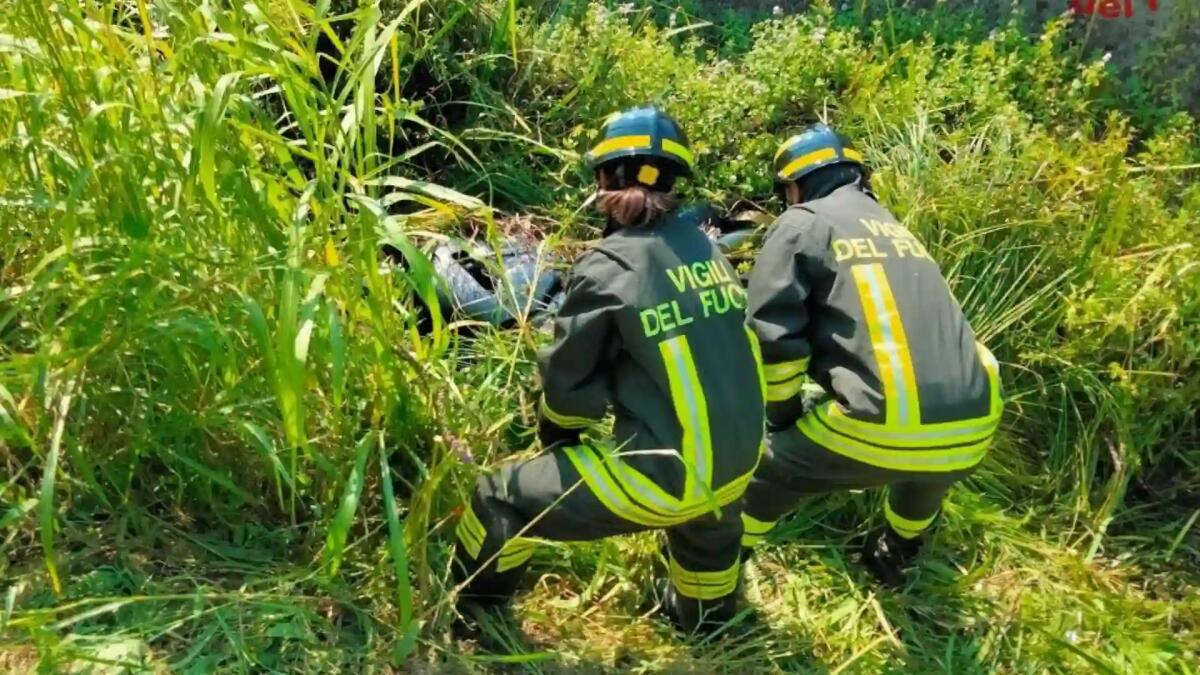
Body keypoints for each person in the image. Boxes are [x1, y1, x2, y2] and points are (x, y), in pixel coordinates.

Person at [452, 106, 766, 634]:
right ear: (675, 183)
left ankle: (472, 615)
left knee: (498, 496)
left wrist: (558, 438)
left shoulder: (607, 266)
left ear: (602, 179)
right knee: (706, 524)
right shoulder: (708, 250)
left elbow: (569, 388)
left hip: (668, 474)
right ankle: (706, 619)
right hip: (741, 461)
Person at [740, 123, 1003, 586]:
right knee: (926, 469)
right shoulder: (898, 231)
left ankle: (707, 576)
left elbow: (773, 339)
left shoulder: (803, 221)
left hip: (883, 422)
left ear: (795, 186)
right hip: (975, 425)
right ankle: (894, 553)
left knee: (763, 472)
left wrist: (782, 424)